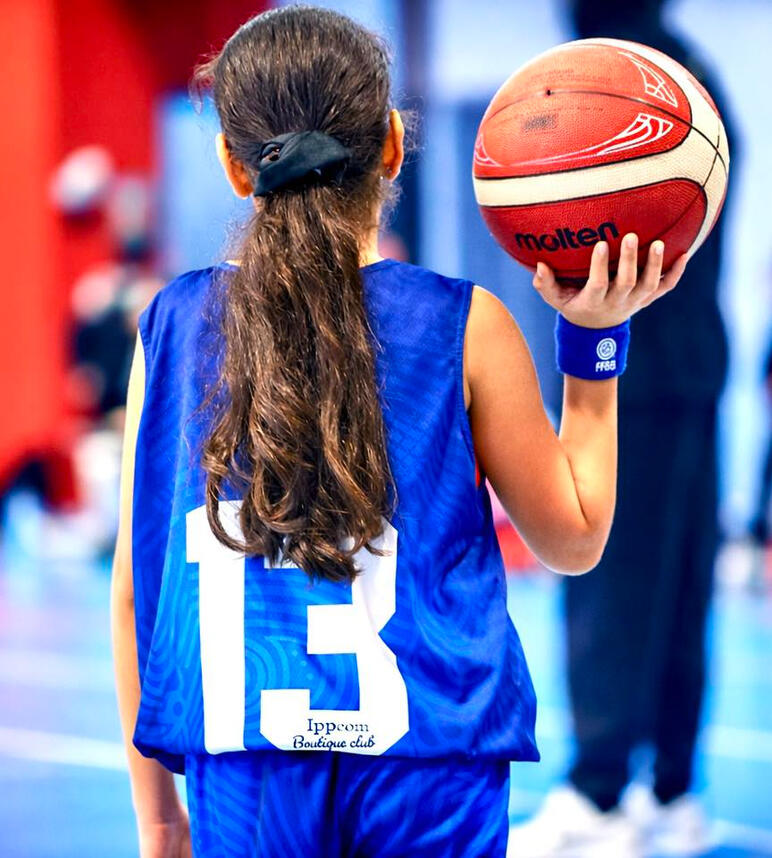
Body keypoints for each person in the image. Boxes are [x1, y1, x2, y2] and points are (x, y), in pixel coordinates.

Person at [110, 7, 687, 857]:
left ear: (234, 165)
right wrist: (595, 344)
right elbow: (574, 539)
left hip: (244, 769)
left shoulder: (170, 326)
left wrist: (161, 821)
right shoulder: (465, 325)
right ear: (391, 144)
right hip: (429, 766)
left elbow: (136, 594)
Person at [509, 2, 735, 856]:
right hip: (694, 366)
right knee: (677, 588)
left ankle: (600, 794)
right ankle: (673, 789)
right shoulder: (699, 82)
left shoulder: (627, 89)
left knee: (606, 575)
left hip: (638, 367)